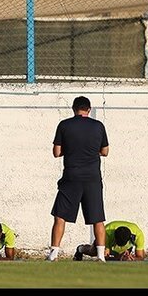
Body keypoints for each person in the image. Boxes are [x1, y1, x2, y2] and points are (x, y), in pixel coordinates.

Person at [47, 96, 109, 262]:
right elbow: (105, 151)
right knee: (98, 218)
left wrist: (73, 150)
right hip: (93, 178)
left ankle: (54, 254)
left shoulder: (64, 125)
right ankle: (101, 256)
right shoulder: (98, 126)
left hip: (71, 177)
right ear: (88, 109)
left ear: (74, 109)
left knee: (60, 216)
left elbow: (56, 152)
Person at [73, 220, 145, 261]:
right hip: (107, 241)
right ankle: (80, 249)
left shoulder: (138, 235)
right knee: (93, 252)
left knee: (123, 258)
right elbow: (105, 257)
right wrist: (119, 258)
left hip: (124, 249)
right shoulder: (107, 233)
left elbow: (140, 257)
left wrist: (133, 259)